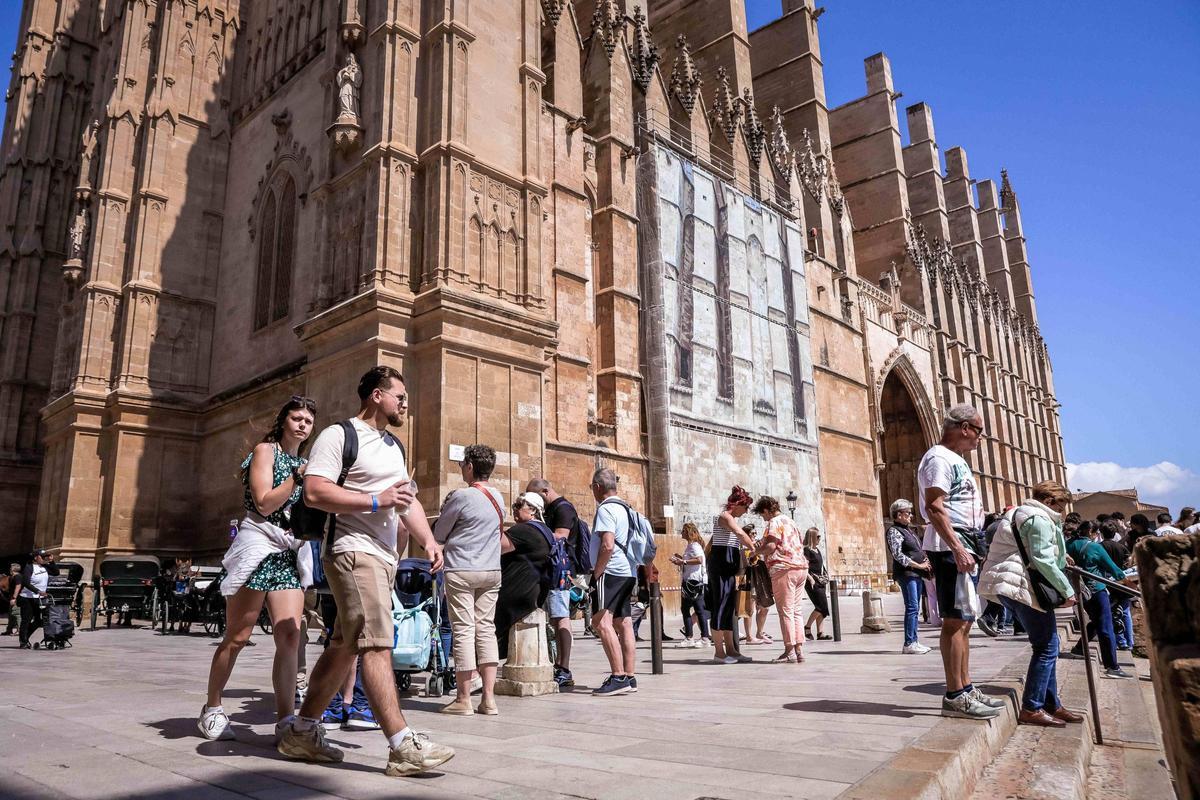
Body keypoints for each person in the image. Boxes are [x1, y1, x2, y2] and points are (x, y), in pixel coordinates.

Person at [279, 366, 454, 777]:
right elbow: (316, 491)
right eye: (400, 396)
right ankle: (400, 744)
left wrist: (427, 541)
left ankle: (302, 731)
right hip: (351, 550)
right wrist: (376, 500)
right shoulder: (339, 435)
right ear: (377, 395)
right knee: (378, 640)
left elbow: (405, 501)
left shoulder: (394, 446)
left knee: (345, 645)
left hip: (383, 557)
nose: (405, 403)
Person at [198, 397, 317, 741]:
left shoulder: (303, 463)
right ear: (283, 421)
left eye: (308, 421)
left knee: (291, 635)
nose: (302, 425)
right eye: (296, 418)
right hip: (257, 546)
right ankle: (213, 707)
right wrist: (297, 478)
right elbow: (264, 501)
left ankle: (285, 719)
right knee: (238, 637)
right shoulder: (268, 452)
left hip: (286, 552)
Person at [917, 403, 1003, 720]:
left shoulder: (956, 460)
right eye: (979, 430)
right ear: (964, 428)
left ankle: (966, 688)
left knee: (965, 620)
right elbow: (935, 507)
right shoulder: (938, 458)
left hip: (963, 542)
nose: (981, 437)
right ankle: (955, 695)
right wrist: (957, 547)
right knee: (954, 622)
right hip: (950, 546)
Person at [978, 480, 1083, 727]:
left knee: (1048, 643)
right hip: (1021, 586)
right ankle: (1032, 707)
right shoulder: (1038, 518)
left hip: (1011, 585)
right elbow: (1041, 559)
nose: (1062, 511)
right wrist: (1066, 590)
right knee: (1046, 646)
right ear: (1048, 501)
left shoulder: (1019, 512)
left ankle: (1051, 703)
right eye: (1060, 505)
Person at [432, 444, 504, 716]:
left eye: (463, 464)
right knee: (486, 628)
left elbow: (440, 531)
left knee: (463, 629)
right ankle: (489, 698)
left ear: (471, 466)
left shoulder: (461, 496)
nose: (462, 468)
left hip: (462, 569)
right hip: (491, 570)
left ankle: (464, 699)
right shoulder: (499, 497)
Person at [588, 467, 642, 695]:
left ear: (598, 487)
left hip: (610, 572)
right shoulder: (628, 509)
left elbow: (607, 544)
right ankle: (629, 676)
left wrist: (597, 573)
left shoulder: (606, 509)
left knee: (601, 623)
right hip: (628, 572)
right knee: (624, 623)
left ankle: (618, 676)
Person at [526, 478, 580, 688]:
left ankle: (564, 668)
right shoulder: (554, 508)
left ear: (546, 491)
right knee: (555, 620)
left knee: (561, 618)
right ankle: (557, 663)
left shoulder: (563, 509)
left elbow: (561, 537)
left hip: (560, 571)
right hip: (552, 571)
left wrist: (535, 533)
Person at [1065, 523, 1132, 678]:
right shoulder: (1094, 547)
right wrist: (1130, 582)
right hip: (1096, 589)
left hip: (1079, 591)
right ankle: (1112, 666)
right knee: (1105, 627)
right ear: (1091, 532)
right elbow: (1114, 570)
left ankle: (1080, 648)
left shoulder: (1068, 545)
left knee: (1096, 621)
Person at [495, 493, 552, 671]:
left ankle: (476, 669)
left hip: (515, 594)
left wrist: (494, 520)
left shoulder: (525, 530)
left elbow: (495, 546)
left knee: (482, 625)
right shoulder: (546, 531)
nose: (515, 509)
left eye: (519, 506)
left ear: (533, 510)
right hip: (533, 591)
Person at [750, 496, 808, 664]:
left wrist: (756, 552)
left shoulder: (774, 522)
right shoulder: (791, 522)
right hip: (801, 567)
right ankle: (799, 650)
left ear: (767, 510)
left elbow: (771, 547)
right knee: (796, 611)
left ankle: (789, 651)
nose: (764, 518)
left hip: (784, 568)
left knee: (786, 611)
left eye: (763, 515)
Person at [707, 486, 756, 664]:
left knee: (728, 609)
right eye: (746, 507)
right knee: (720, 607)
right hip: (720, 568)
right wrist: (753, 547)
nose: (746, 511)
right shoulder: (725, 517)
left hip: (728, 569)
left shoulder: (731, 518)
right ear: (737, 505)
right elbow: (739, 533)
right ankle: (719, 653)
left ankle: (732, 650)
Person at [886, 499, 932, 655]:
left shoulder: (909, 530)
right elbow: (898, 554)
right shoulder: (894, 531)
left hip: (916, 573)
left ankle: (914, 640)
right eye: (908, 513)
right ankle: (909, 643)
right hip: (907, 574)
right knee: (912, 607)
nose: (911, 516)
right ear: (899, 514)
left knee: (915, 608)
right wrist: (919, 565)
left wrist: (925, 561)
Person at [670, 523, 710, 647]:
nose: (681, 533)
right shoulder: (691, 546)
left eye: (683, 531)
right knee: (692, 609)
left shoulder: (694, 546)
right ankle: (695, 637)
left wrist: (683, 561)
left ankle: (700, 638)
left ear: (688, 532)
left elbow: (699, 560)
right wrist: (681, 559)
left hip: (693, 582)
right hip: (692, 581)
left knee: (695, 610)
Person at [1098, 523, 1134, 651]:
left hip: (1107, 584)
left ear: (1101, 533)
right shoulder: (1121, 547)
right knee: (1125, 612)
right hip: (1123, 583)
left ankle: (1121, 641)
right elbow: (1129, 563)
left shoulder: (1099, 547)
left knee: (1112, 613)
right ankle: (1130, 642)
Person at [740, 524, 773, 645]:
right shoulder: (743, 548)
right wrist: (754, 550)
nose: (754, 536)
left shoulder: (758, 547)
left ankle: (760, 632)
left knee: (765, 607)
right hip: (749, 579)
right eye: (752, 534)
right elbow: (748, 563)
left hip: (760, 578)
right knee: (750, 608)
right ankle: (749, 636)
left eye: (755, 533)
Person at [801, 528, 832, 641]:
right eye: (818, 536)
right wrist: (810, 579)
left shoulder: (817, 550)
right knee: (820, 607)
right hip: (812, 582)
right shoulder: (806, 551)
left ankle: (820, 633)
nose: (819, 538)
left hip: (820, 581)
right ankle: (807, 627)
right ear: (812, 537)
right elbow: (804, 566)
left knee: (822, 607)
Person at [17, 550, 50, 649]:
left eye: (45, 556)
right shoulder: (29, 567)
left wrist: (51, 561)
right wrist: (38, 591)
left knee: (39, 621)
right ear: (36, 557)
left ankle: (26, 636)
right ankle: (23, 642)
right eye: (42, 556)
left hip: (39, 598)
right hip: (28, 598)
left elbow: (56, 572)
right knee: (26, 620)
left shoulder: (44, 567)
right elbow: (26, 583)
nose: (44, 558)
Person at [2, 563, 21, 636]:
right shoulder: (12, 577)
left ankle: (19, 630)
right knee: (11, 614)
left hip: (17, 598)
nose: (9, 569)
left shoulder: (17, 577)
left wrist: (14, 598)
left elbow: (18, 587)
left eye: (10, 568)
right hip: (12, 597)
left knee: (16, 614)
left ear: (13, 569)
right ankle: (9, 630)